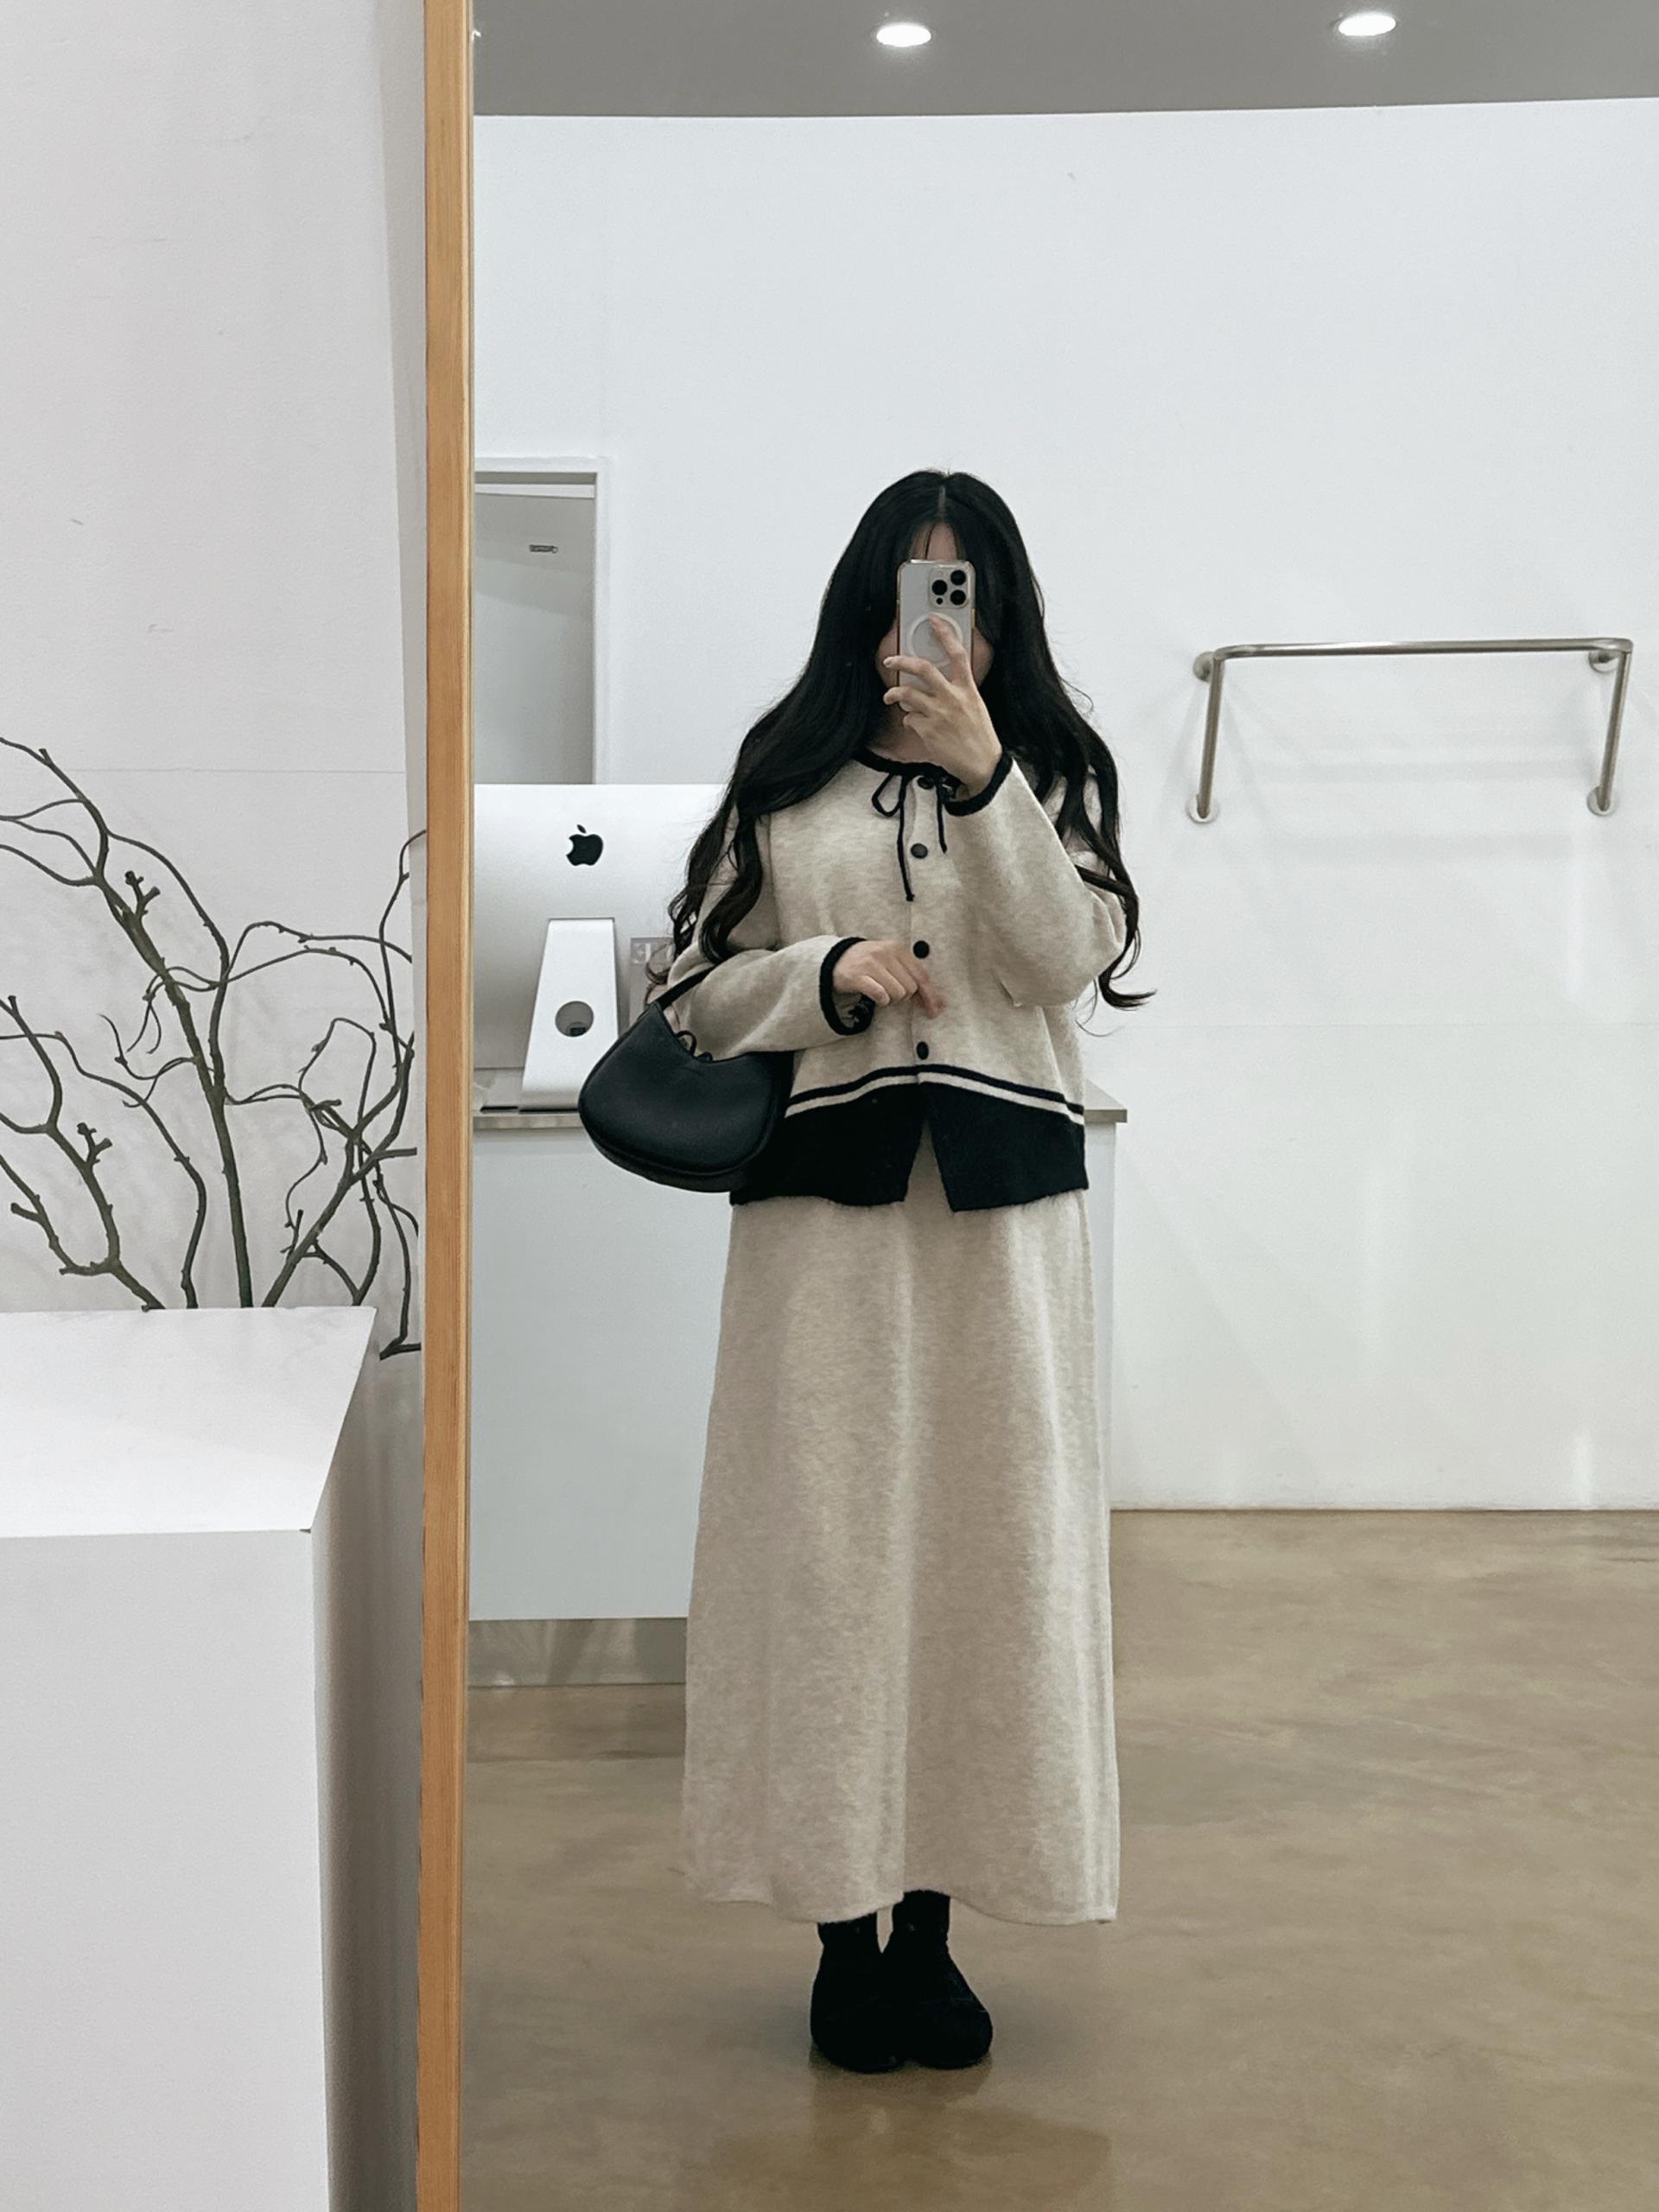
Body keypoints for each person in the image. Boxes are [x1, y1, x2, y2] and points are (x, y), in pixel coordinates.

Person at [654, 468, 1150, 2071]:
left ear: (999, 615)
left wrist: (985, 774)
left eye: (964, 593)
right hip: (826, 1232)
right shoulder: (786, 778)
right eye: (912, 587)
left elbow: (1069, 957)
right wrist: (824, 972)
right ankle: (838, 1930)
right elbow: (693, 992)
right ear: (865, 602)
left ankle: (931, 1929)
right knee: (829, 1566)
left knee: (986, 1560)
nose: (937, 622)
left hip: (1002, 1237)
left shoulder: (1052, 772)